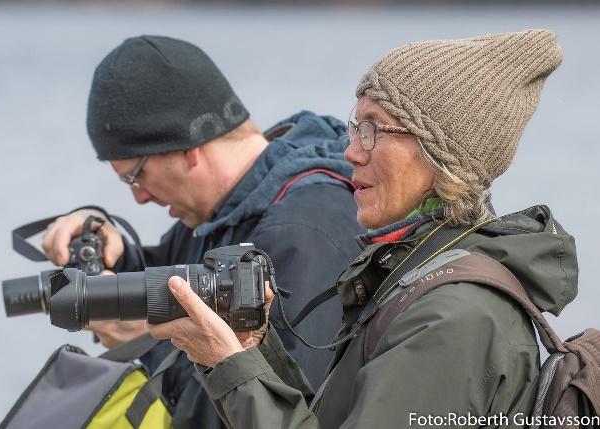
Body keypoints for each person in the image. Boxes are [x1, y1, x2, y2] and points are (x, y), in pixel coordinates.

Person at [148, 29, 579, 428]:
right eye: (355, 126)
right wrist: (251, 350)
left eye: (373, 129)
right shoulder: (415, 273)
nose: (351, 151)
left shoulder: (454, 316)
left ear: (441, 157)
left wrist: (230, 368)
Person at [41, 35, 364, 428]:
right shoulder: (224, 212)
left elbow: (286, 413)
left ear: (187, 146)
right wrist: (108, 246)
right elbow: (173, 282)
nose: (140, 198)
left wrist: (144, 343)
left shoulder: (304, 232)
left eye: (136, 176)